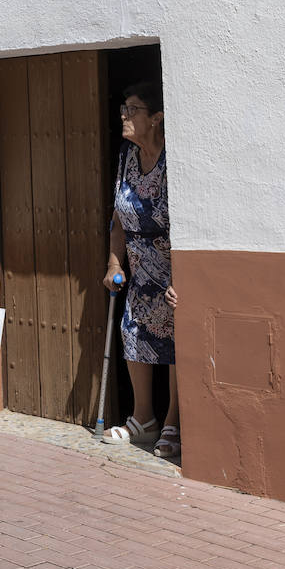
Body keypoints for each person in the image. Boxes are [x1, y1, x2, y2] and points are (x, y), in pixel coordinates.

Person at [101, 80, 180, 459]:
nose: (124, 116)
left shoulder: (173, 159)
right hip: (139, 264)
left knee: (175, 340)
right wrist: (115, 262)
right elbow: (119, 215)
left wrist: (184, 276)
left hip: (172, 267)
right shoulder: (127, 158)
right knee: (133, 332)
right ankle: (143, 419)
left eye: (132, 110)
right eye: (123, 109)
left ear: (156, 118)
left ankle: (172, 422)